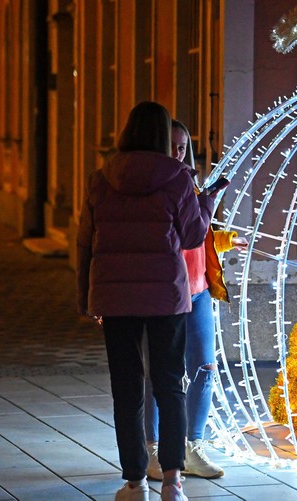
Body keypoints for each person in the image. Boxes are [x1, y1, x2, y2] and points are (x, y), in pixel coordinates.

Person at [77, 102, 216, 501]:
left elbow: (85, 241)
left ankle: (135, 482)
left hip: (114, 294)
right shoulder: (177, 178)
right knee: (170, 385)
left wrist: (83, 297)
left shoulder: (101, 179)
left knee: (126, 388)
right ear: (160, 136)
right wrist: (206, 202)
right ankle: (172, 483)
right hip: (165, 297)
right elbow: (191, 237)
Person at [143, 119, 247, 481]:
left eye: (183, 147)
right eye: (171, 146)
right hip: (167, 292)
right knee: (162, 373)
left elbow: (198, 233)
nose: (177, 153)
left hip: (199, 289)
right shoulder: (153, 188)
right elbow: (180, 232)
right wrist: (206, 203)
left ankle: (193, 446)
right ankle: (154, 449)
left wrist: (226, 238)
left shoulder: (189, 183)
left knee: (205, 367)